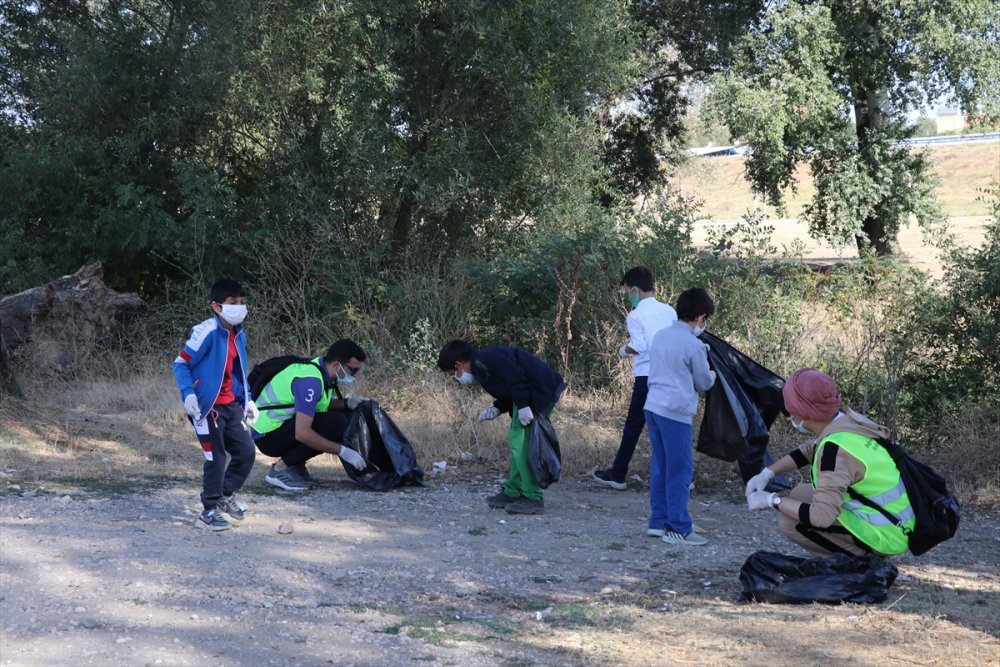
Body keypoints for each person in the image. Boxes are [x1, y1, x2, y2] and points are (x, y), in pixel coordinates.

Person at [745, 368, 915, 557]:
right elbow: (809, 450)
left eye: (789, 410)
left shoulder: (834, 452)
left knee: (790, 522)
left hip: (886, 534)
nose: (789, 415)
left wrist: (772, 500)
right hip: (894, 516)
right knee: (799, 494)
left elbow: (821, 517)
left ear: (803, 412)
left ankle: (860, 563)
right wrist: (768, 472)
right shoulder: (848, 421)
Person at [438, 339, 565, 515]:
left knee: (521, 442)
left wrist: (523, 405)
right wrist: (497, 408)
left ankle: (533, 497)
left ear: (459, 364)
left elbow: (516, 376)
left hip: (540, 390)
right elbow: (508, 389)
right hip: (531, 393)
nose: (456, 378)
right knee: (518, 442)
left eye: (453, 374)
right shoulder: (481, 366)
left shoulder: (484, 360)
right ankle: (513, 491)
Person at [173, 278, 258, 531]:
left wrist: (248, 400)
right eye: (233, 303)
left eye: (242, 302)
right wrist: (189, 394)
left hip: (230, 404)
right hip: (206, 407)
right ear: (216, 306)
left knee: (246, 452)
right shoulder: (206, 332)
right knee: (216, 457)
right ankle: (208, 512)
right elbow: (181, 363)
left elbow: (238, 371)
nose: (239, 307)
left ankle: (225, 495)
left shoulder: (239, 333)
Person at [592, 266, 677, 490]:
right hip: (670, 375)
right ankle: (682, 478)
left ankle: (618, 474)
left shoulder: (635, 315)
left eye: (627, 291)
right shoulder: (669, 311)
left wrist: (623, 350)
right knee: (669, 427)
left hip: (647, 377)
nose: (627, 296)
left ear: (635, 290)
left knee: (633, 426)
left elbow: (639, 345)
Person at [644, 287, 716, 546]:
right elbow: (703, 382)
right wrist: (714, 373)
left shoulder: (661, 335)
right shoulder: (694, 345)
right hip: (675, 412)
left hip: (653, 407)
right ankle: (678, 528)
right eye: (705, 319)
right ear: (700, 317)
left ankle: (658, 521)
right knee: (680, 470)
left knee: (661, 466)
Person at [251, 339, 369, 491]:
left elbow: (317, 405)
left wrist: (348, 403)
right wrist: (343, 451)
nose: (355, 375)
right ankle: (280, 469)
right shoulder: (311, 381)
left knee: (341, 416)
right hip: (268, 435)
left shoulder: (320, 370)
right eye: (353, 370)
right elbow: (302, 433)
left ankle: (295, 465)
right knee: (336, 423)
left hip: (277, 428)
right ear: (336, 365)